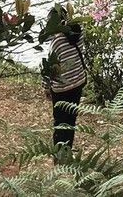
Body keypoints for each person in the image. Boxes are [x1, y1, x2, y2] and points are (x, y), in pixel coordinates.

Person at [41, 9, 87, 149]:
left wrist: (46, 87)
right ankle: (68, 148)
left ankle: (60, 152)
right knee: (71, 118)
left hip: (61, 88)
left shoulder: (57, 41)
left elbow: (50, 67)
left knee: (60, 121)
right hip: (78, 81)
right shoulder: (79, 33)